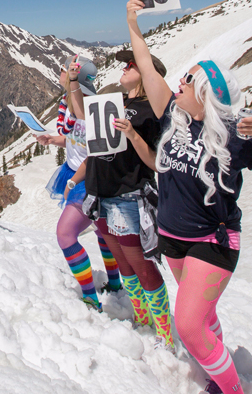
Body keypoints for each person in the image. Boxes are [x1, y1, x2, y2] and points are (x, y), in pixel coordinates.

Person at [123, 0, 252, 394]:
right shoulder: (173, 116)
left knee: (188, 325)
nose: (178, 83)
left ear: (205, 92)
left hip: (212, 241)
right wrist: (132, 22)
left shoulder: (233, 133)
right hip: (173, 238)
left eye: (188, 80)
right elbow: (145, 64)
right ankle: (218, 374)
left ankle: (231, 389)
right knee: (203, 316)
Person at [81, 44, 175, 347]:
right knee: (124, 264)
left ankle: (165, 335)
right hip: (101, 193)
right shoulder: (117, 101)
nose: (123, 68)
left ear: (148, 74)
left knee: (141, 265)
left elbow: (155, 162)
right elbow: (82, 116)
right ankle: (143, 320)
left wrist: (132, 134)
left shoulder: (153, 111)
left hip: (128, 194)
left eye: (131, 65)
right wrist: (71, 83)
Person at [36, 55, 121, 311]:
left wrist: (72, 182)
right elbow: (76, 139)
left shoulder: (90, 108)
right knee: (101, 231)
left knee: (65, 234)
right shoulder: (70, 101)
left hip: (88, 179)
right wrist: (54, 140)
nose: (60, 72)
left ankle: (90, 297)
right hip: (76, 174)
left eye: (64, 69)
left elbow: (94, 152)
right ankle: (114, 283)